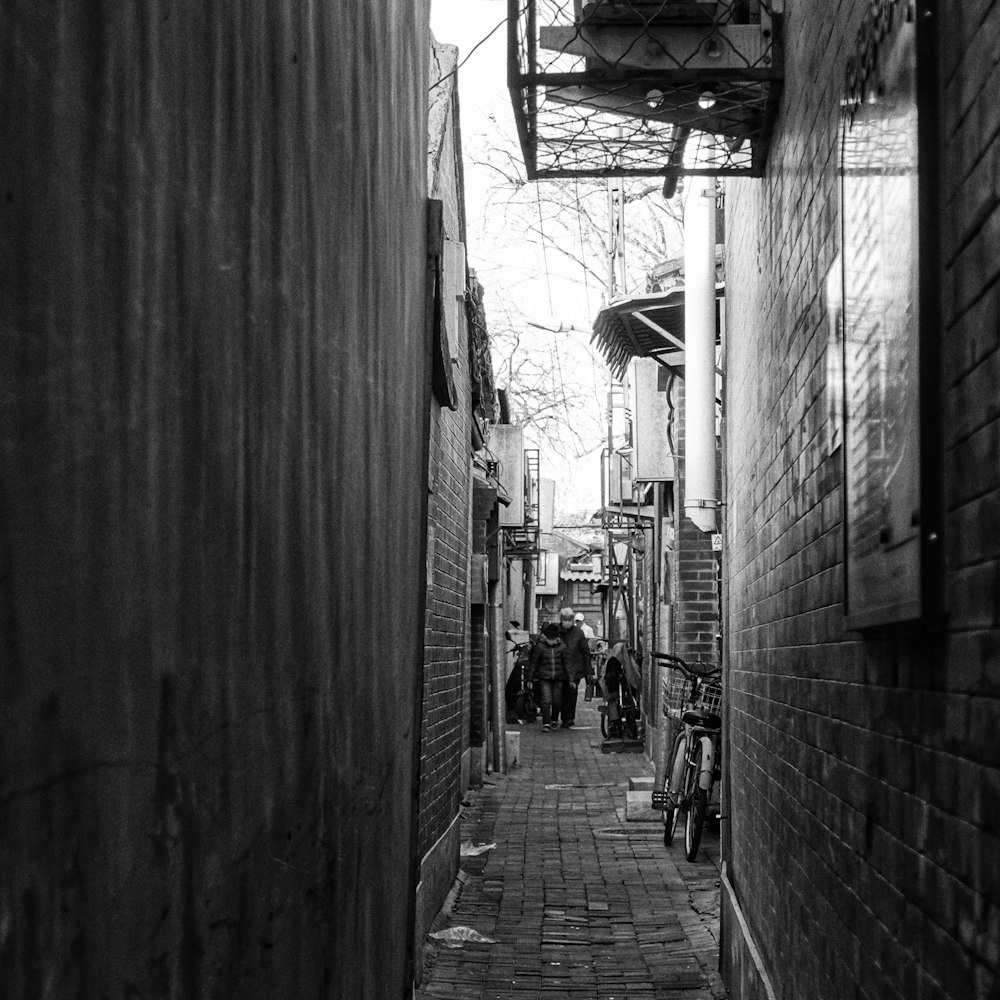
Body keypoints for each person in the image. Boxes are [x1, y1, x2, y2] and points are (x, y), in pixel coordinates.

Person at [527, 621, 568, 732]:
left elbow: (567, 664)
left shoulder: (562, 647)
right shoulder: (540, 647)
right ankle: (546, 722)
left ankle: (554, 719)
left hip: (559, 678)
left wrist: (571, 678)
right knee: (546, 700)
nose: (551, 641)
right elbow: (534, 663)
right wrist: (529, 678)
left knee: (556, 701)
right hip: (544, 677)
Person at [557, 607, 593, 729]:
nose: (567, 622)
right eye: (564, 619)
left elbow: (585, 652)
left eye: (569, 619)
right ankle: (560, 716)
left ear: (572, 620)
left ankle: (569, 718)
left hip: (575, 669)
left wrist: (589, 671)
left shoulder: (578, 633)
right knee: (560, 694)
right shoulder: (556, 631)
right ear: (561, 619)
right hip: (559, 668)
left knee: (571, 694)